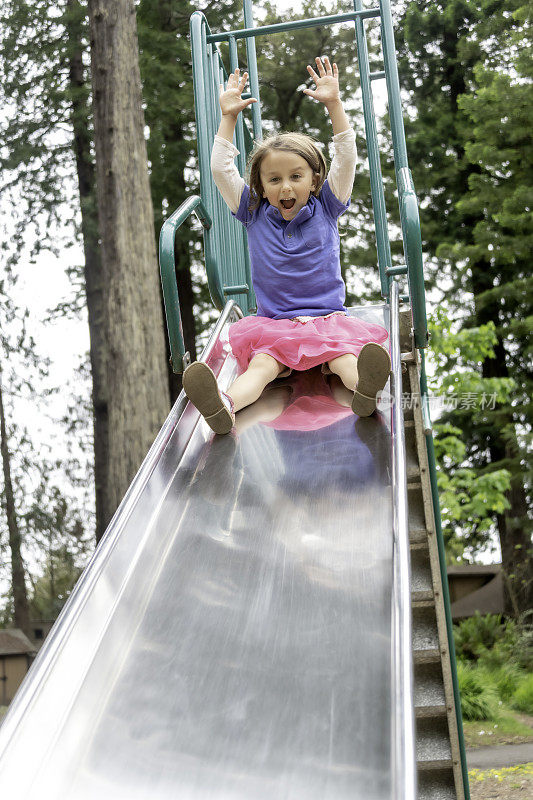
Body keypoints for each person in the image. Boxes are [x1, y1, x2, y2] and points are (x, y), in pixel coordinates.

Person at [183, 56, 390, 435]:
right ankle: (224, 406)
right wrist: (228, 118)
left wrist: (334, 105)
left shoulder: (327, 206)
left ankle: (365, 390)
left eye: (296, 176)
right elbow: (220, 170)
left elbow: (346, 156)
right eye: (274, 179)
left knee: (345, 359)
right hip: (276, 326)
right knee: (262, 368)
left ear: (314, 180)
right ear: (261, 187)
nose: (286, 186)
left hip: (328, 321)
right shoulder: (252, 212)